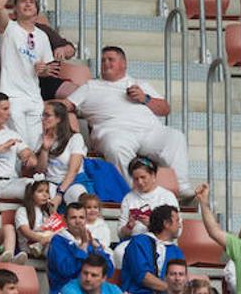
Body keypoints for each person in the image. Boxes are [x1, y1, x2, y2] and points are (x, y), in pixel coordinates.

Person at [63, 45, 193, 197]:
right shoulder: (90, 86)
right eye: (103, 60)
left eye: (111, 60)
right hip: (114, 132)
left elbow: (165, 109)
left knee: (175, 137)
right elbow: (67, 105)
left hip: (149, 131)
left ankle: (183, 187)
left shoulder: (139, 84)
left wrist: (145, 98)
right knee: (115, 146)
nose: (106, 63)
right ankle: (135, 194)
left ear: (124, 64)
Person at [0, 0, 54, 150]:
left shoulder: (43, 36)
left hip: (35, 97)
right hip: (13, 96)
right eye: (22, 1)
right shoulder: (9, 29)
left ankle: (35, 179)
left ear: (36, 9)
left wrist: (43, 70)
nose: (28, 4)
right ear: (15, 9)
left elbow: (45, 71)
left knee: (36, 145)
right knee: (20, 145)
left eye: (31, 2)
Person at [47, 203, 114, 294]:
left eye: (81, 217)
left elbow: (108, 271)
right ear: (65, 220)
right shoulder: (58, 241)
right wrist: (83, 247)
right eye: (73, 218)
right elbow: (66, 270)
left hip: (93, 292)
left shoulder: (92, 242)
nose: (78, 222)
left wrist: (97, 247)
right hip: (65, 293)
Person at [121, 204, 185, 294]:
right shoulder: (139, 243)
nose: (180, 225)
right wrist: (172, 290)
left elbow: (182, 278)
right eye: (177, 221)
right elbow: (143, 277)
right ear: (166, 224)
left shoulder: (176, 251)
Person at [37, 100, 93, 206]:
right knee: (41, 197)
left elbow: (73, 171)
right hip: (51, 182)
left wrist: (60, 193)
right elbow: (40, 171)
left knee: (75, 195)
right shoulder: (42, 138)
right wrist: (45, 149)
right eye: (43, 115)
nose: (43, 119)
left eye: (47, 115)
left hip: (73, 182)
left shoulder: (75, 138)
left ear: (59, 119)